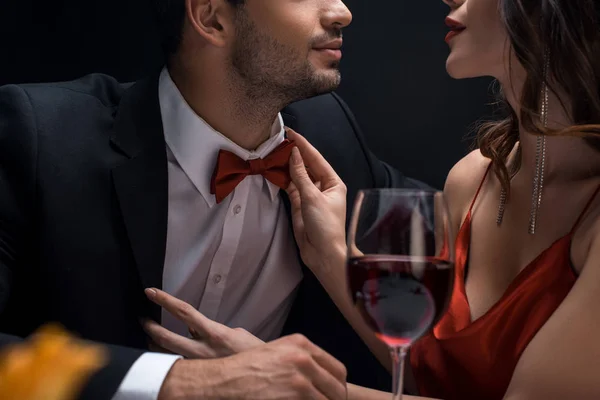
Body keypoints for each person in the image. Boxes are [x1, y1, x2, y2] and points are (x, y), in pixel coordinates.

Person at [143, 0, 600, 399]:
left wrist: (292, 385)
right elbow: (429, 377)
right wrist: (331, 256)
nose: (343, 12)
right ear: (210, 18)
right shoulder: (471, 178)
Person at [0, 0, 429, 399]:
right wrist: (184, 382)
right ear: (212, 19)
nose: (342, 12)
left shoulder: (329, 134)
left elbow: (458, 224)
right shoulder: (41, 137)